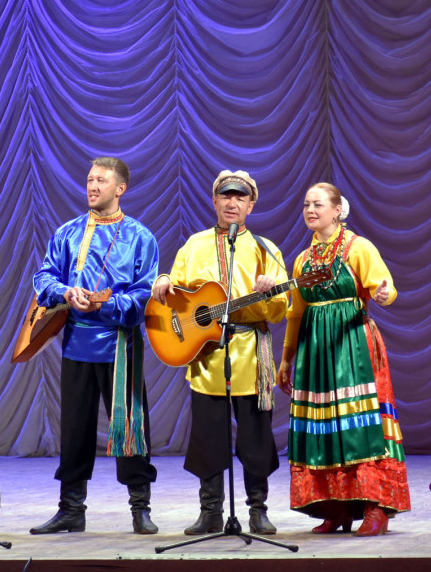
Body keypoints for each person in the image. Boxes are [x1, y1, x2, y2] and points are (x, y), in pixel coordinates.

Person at [151, 169, 287, 535]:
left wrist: (270, 292)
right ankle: (210, 511)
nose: (232, 202)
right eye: (225, 196)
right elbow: (174, 290)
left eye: (240, 198)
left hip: (250, 356)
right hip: (207, 357)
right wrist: (163, 280)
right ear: (214, 201)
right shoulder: (193, 245)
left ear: (251, 205)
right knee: (208, 438)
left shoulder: (266, 250)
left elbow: (281, 309)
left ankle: (258, 510)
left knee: (256, 440)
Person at [30, 157, 160, 535]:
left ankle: (140, 507)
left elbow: (144, 293)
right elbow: (44, 276)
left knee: (131, 425)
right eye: (89, 179)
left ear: (120, 188)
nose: (92, 185)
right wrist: (65, 291)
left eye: (101, 180)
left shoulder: (140, 236)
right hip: (77, 343)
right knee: (74, 429)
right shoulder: (68, 233)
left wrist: (110, 303)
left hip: (120, 344)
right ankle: (71, 508)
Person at [277, 182, 410, 537]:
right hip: (314, 352)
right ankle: (335, 509)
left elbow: (386, 288)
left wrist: (383, 294)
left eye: (318, 204)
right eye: (306, 204)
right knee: (323, 429)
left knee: (360, 428)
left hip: (352, 346)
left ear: (337, 210)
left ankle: (375, 508)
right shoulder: (303, 260)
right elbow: (295, 313)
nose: (310, 210)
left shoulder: (358, 247)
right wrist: (287, 358)